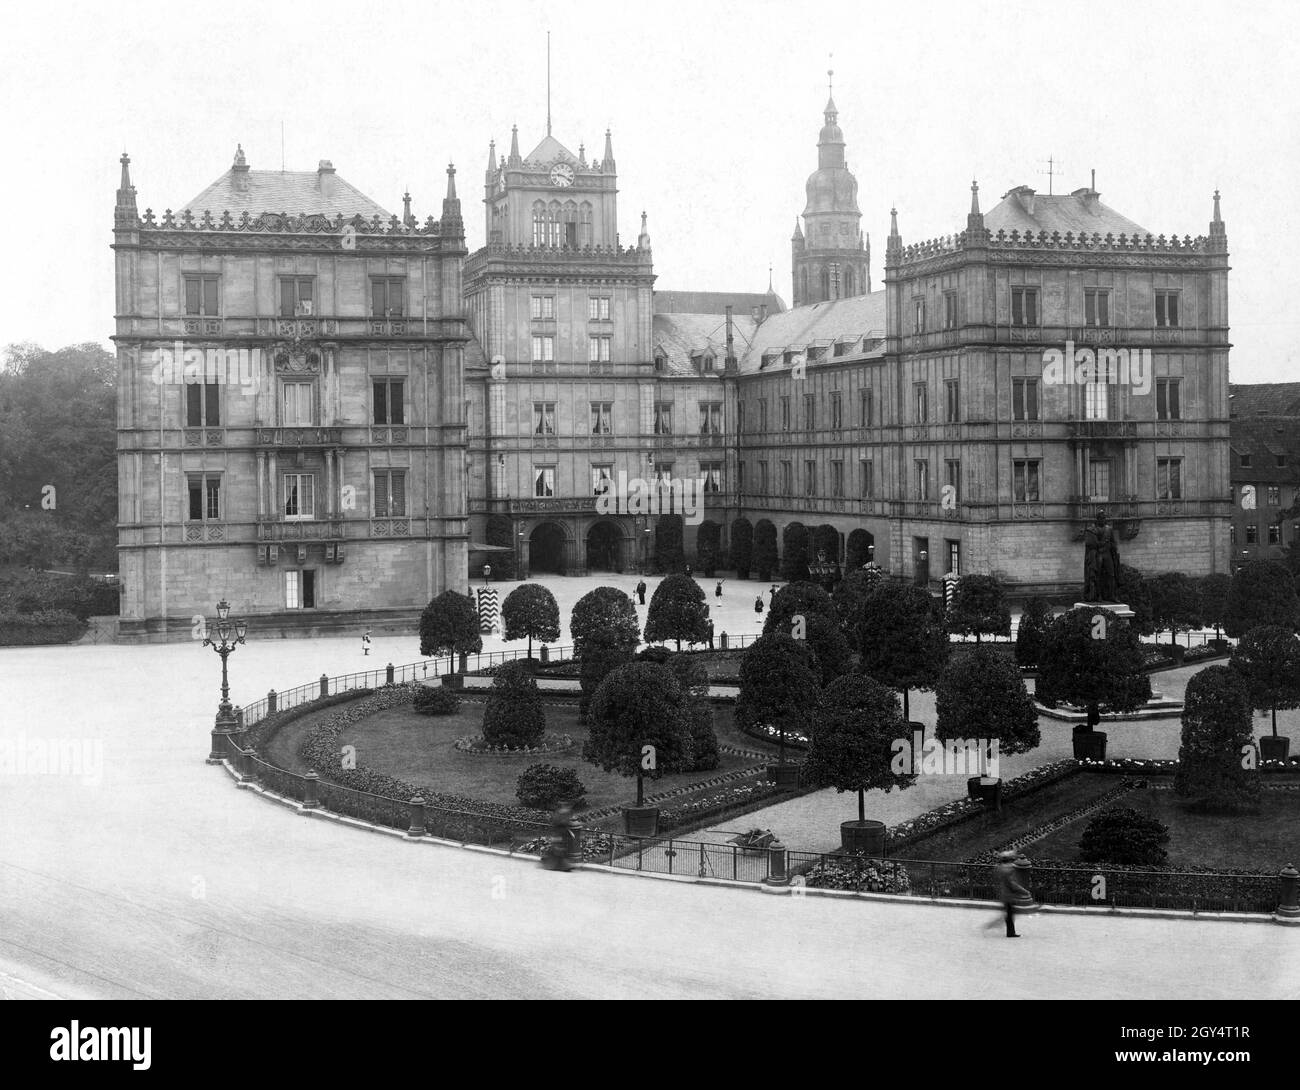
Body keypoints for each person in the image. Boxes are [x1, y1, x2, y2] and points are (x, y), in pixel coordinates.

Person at [992, 851, 1028, 938]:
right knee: (1010, 913)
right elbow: (1012, 884)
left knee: (1009, 913)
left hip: (1003, 893)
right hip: (1009, 894)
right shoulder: (1009, 869)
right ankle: (1010, 932)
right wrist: (1023, 891)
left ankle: (1010, 931)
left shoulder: (999, 868)